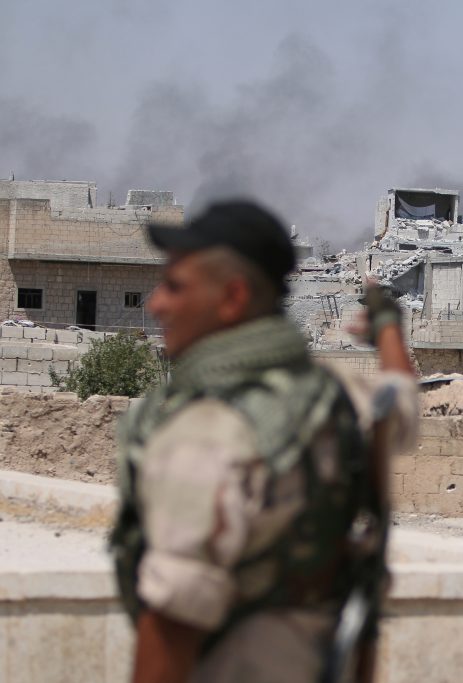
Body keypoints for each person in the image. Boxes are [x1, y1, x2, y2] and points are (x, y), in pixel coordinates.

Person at [110, 200, 417, 683]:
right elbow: (401, 392)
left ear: (232, 297)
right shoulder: (343, 399)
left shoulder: (204, 436)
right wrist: (387, 323)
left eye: (174, 286)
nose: (156, 304)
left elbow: (172, 625)